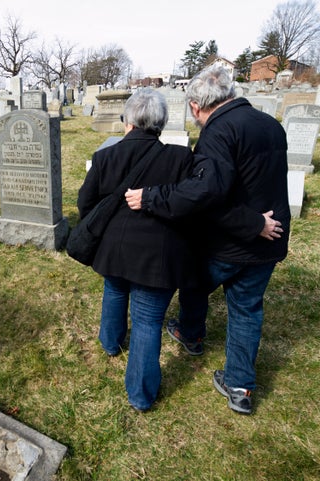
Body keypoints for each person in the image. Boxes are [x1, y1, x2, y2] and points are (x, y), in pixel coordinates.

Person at [124, 65, 290, 414]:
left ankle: (191, 334)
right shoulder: (270, 125)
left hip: (231, 242)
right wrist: (260, 226)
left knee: (195, 282)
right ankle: (239, 386)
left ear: (197, 107)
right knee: (246, 310)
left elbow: (205, 194)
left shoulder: (217, 132)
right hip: (268, 241)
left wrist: (152, 198)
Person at [77, 89, 201, 412]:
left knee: (115, 292)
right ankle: (139, 395)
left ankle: (110, 344)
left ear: (129, 120)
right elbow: (188, 207)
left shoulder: (106, 157)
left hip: (114, 251)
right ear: (159, 123)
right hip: (156, 258)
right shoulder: (180, 159)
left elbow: (84, 203)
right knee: (146, 321)